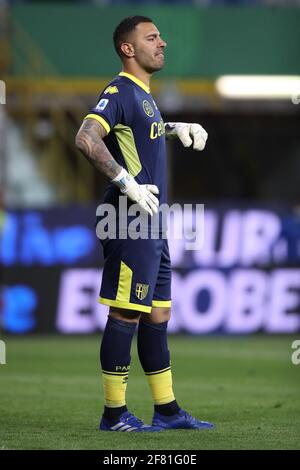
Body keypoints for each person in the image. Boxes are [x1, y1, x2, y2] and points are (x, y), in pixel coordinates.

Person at [76, 15, 214, 432]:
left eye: (161, 36)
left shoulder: (144, 97)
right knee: (127, 313)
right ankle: (114, 414)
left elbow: (139, 134)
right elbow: (86, 138)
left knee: (158, 313)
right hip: (129, 217)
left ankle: (166, 410)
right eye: (152, 38)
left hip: (152, 221)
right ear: (128, 49)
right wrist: (124, 182)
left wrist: (174, 128)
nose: (163, 43)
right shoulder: (118, 91)